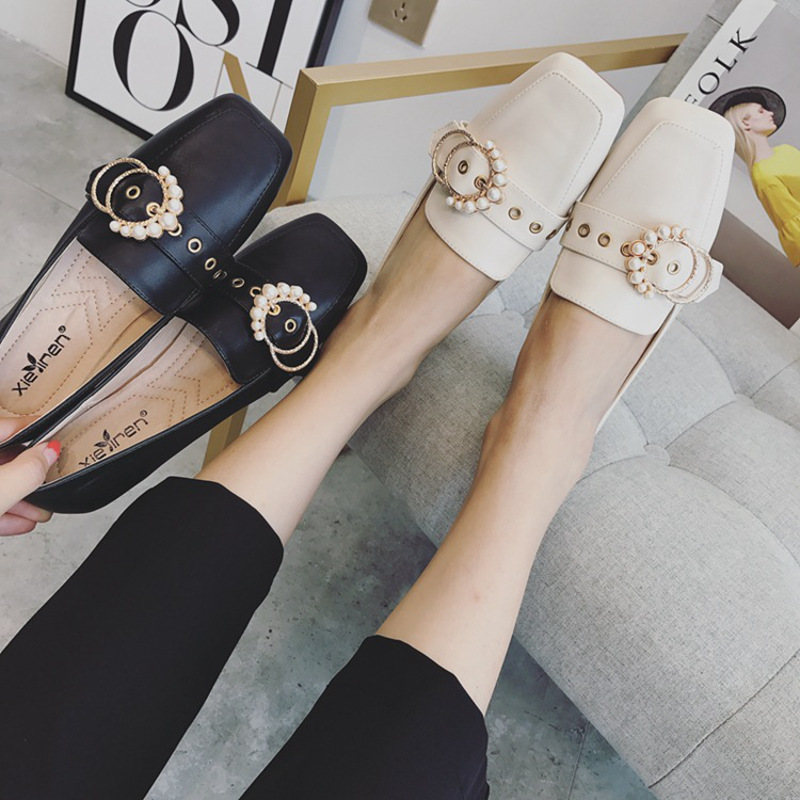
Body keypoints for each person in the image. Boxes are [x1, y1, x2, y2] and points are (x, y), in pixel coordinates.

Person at [712, 86, 800, 267]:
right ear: (745, 123)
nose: (770, 113)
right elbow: (791, 221)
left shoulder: (786, 151)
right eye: (760, 111)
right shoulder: (764, 175)